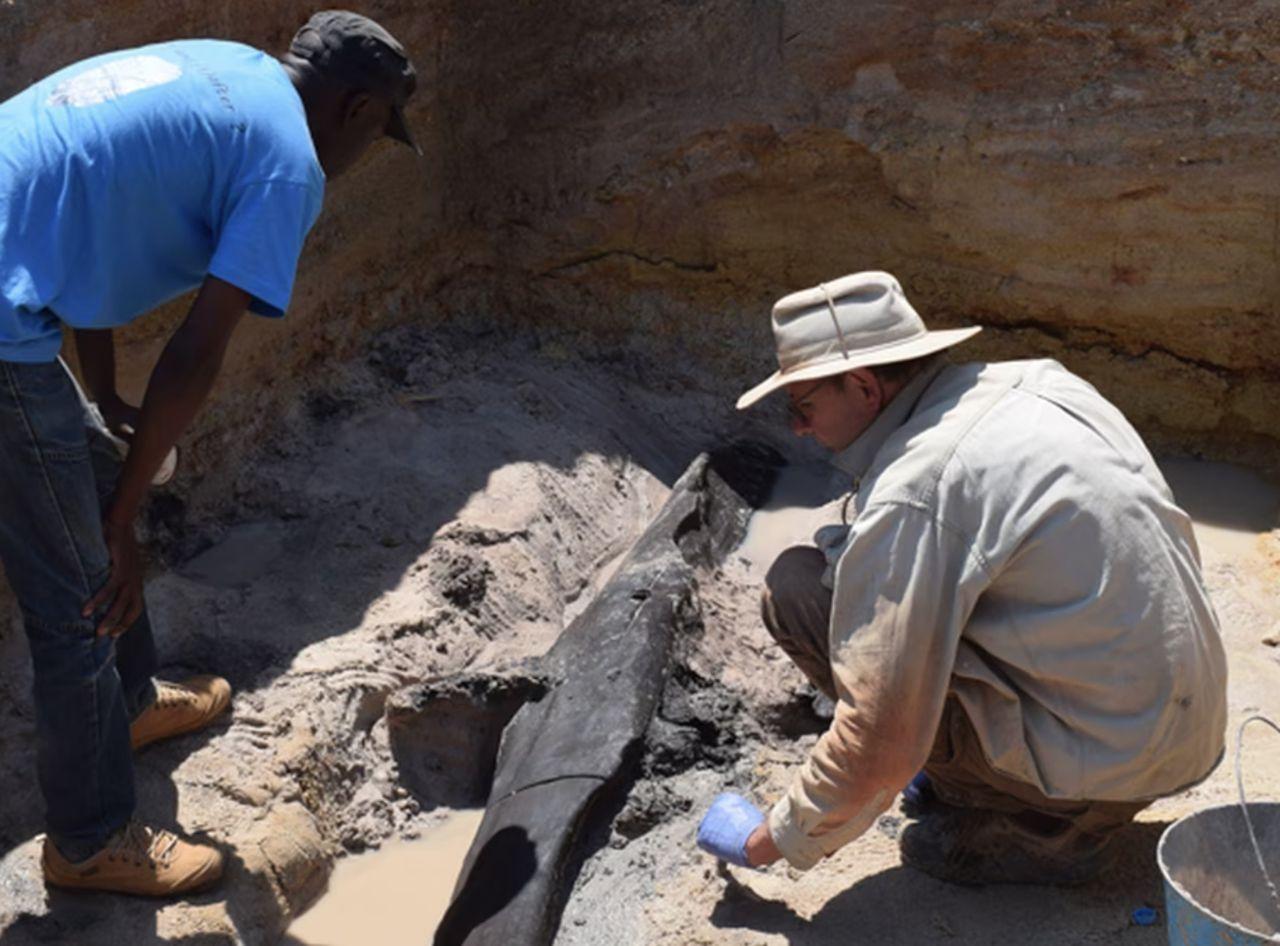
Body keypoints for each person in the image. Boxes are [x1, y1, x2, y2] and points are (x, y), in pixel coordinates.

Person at [0, 10, 420, 896]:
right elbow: (197, 352)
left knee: (102, 454)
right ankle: (86, 841)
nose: (367, 154)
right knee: (81, 591)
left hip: (15, 266)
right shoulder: (285, 164)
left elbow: (87, 224)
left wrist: (105, 398)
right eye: (381, 131)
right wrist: (120, 527)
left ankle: (134, 700)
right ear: (351, 108)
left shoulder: (231, 71)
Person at [696, 271, 1227, 885]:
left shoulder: (921, 487)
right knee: (871, 597)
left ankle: (1041, 828)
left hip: (1108, 767)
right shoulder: (1041, 381)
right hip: (1181, 731)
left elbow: (877, 735)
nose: (797, 427)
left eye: (803, 405)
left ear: (865, 386)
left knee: (797, 591)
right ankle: (1015, 786)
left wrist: (770, 842)